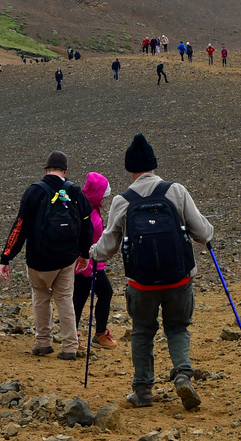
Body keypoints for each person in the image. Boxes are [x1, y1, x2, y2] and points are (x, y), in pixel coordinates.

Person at [89, 134, 214, 411]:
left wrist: (92, 253)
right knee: (177, 327)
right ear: (154, 165)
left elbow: (107, 247)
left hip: (142, 283)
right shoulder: (176, 191)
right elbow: (203, 233)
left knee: (143, 330)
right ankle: (182, 374)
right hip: (178, 278)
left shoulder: (123, 201)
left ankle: (143, 389)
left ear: (130, 169)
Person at [0, 152, 91, 360]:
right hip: (67, 257)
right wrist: (84, 254)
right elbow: (87, 225)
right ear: (65, 171)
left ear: (46, 170)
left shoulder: (34, 192)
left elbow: (20, 227)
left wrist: (6, 257)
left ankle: (43, 342)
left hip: (39, 259)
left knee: (41, 296)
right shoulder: (74, 192)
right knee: (65, 298)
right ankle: (69, 346)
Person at [73, 172, 117, 349]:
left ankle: (72, 336)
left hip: (82, 265)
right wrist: (90, 268)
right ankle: (99, 336)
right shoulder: (89, 214)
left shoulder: (82, 208)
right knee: (105, 293)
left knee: (79, 298)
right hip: (89, 266)